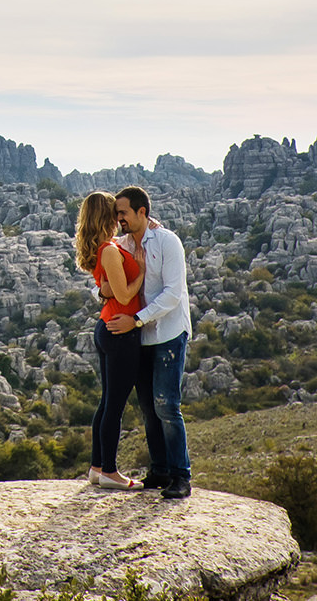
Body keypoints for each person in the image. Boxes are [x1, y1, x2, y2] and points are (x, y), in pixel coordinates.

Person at [104, 184, 192, 499]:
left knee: (166, 405)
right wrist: (105, 292)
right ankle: (159, 471)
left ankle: (181, 476)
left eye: (123, 213)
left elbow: (173, 292)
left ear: (142, 211)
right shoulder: (120, 246)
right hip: (139, 336)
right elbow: (104, 284)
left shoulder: (168, 242)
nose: (119, 219)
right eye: (117, 214)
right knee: (147, 407)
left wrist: (137, 318)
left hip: (167, 332)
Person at [75, 191, 145, 490]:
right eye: (115, 213)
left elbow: (108, 288)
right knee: (114, 406)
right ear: (107, 216)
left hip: (108, 326)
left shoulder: (107, 248)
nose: (119, 218)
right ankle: (110, 471)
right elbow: (126, 294)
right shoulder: (110, 250)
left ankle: (96, 467)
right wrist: (141, 269)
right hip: (120, 331)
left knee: (106, 403)